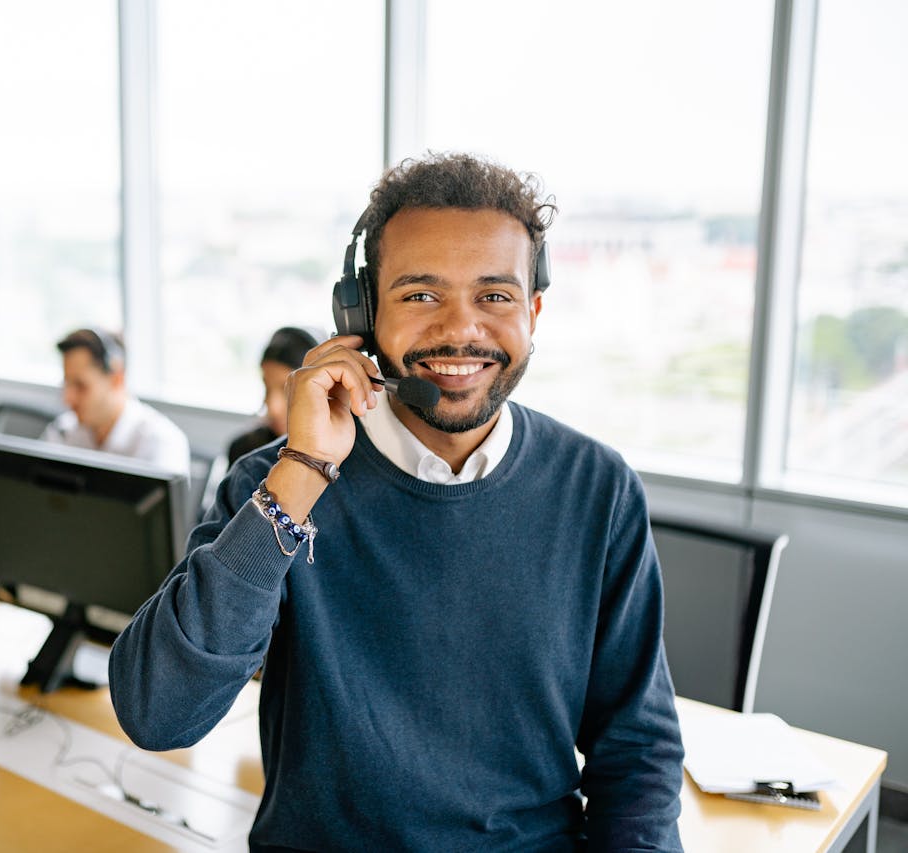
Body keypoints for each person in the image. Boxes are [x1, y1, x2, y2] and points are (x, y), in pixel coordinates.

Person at [109, 153, 684, 851]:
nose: (461, 329)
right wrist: (303, 472)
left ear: (533, 311)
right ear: (360, 313)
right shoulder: (275, 486)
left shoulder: (598, 489)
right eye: (420, 295)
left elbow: (638, 755)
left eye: (495, 296)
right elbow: (157, 712)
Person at [41, 328, 190, 476]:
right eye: (67, 385)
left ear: (116, 379)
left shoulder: (161, 443)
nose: (67, 399)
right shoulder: (62, 431)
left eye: (81, 386)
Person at [226, 326, 321, 465]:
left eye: (288, 390)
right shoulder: (245, 450)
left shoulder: (343, 454)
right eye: (267, 387)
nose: (273, 408)